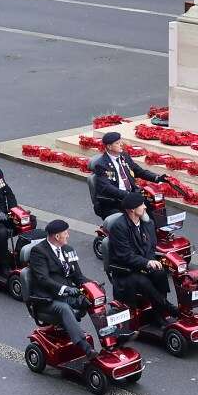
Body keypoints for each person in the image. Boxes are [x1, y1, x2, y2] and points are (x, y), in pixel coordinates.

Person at [25, 219, 98, 359]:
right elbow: (43, 279)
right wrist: (65, 288)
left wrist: (92, 285)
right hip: (47, 299)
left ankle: (111, 337)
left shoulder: (68, 250)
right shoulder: (39, 252)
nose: (68, 235)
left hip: (68, 294)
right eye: (66, 233)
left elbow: (78, 276)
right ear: (57, 236)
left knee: (94, 300)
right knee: (64, 308)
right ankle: (86, 348)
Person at [105, 190, 180, 322]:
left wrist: (151, 261)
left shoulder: (148, 223)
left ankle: (159, 312)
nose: (145, 207)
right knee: (143, 281)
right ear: (132, 210)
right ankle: (168, 308)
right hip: (126, 270)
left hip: (143, 264)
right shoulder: (119, 227)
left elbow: (151, 246)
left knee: (160, 273)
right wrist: (146, 263)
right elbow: (125, 256)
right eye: (141, 205)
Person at [87, 130, 164, 218]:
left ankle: (157, 230)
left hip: (131, 195)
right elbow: (107, 188)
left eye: (121, 142)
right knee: (139, 218)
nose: (121, 145)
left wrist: (157, 178)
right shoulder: (101, 165)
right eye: (117, 143)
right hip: (114, 201)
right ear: (109, 146)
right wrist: (127, 195)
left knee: (155, 205)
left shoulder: (124, 156)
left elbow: (138, 171)